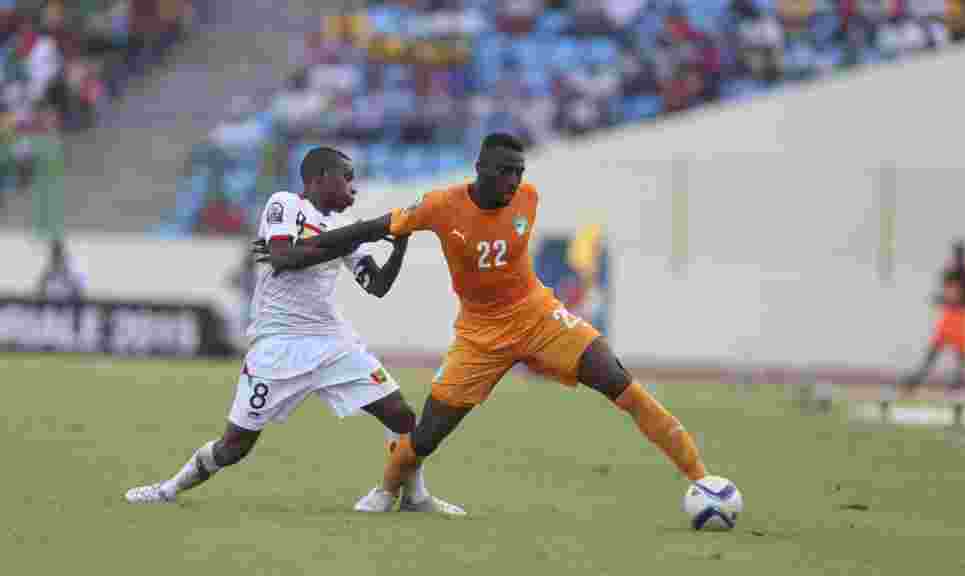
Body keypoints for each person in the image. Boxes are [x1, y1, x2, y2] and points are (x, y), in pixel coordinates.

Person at [255, 133, 710, 513]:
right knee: (426, 435)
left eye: (519, 171)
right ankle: (388, 489)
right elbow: (369, 229)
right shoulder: (439, 205)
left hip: (538, 316)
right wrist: (302, 252)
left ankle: (702, 480)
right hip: (479, 335)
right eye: (504, 170)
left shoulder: (529, 199)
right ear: (480, 168)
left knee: (620, 382)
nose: (513, 181)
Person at [125, 147, 463, 515]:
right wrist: (352, 236)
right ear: (319, 178)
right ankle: (167, 489)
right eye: (346, 177)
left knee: (400, 414)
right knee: (234, 446)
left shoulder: (343, 232)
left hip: (330, 339)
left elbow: (377, 285)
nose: (353, 187)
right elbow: (284, 259)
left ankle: (413, 496)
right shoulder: (285, 204)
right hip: (278, 343)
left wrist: (399, 246)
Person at [902, 239, 965, 391]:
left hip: (963, 315)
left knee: (960, 351)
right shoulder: (948, 273)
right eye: (956, 253)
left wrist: (954, 301)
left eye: (960, 253)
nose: (958, 256)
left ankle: (960, 380)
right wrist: (941, 300)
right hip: (950, 315)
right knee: (935, 347)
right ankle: (918, 378)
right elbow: (948, 294)